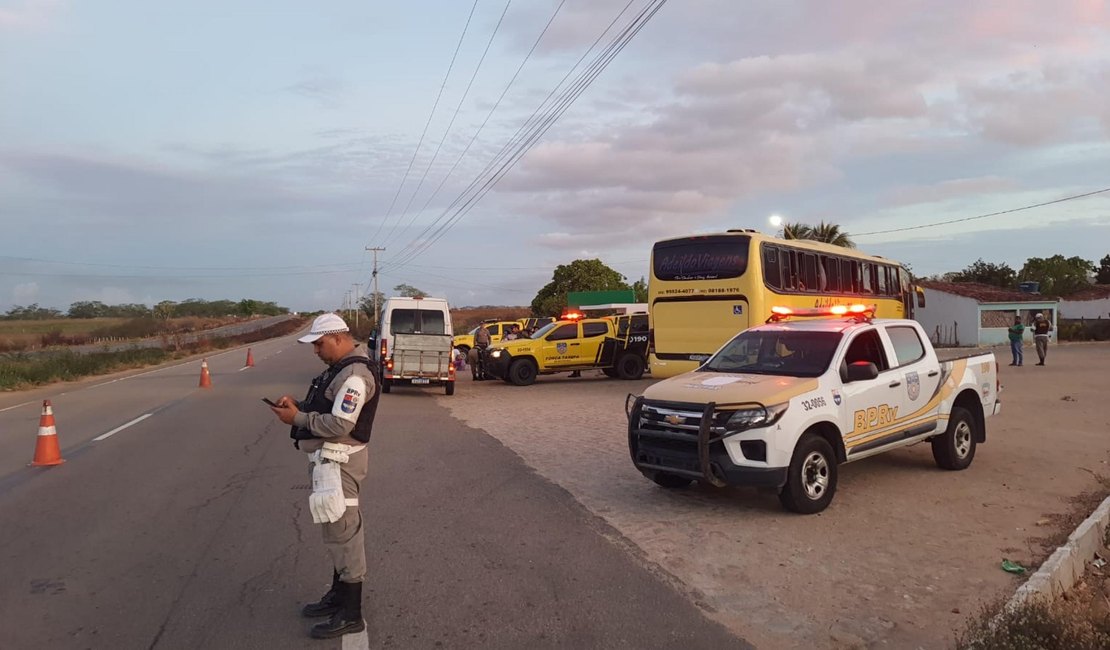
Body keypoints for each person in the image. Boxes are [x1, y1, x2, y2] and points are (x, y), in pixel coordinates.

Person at [270, 313, 379, 639]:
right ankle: (338, 596)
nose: (316, 350)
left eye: (319, 343)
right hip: (331, 462)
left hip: (341, 463)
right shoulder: (341, 370)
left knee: (344, 532)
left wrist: (297, 418)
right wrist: (299, 405)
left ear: (337, 337)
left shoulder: (356, 375)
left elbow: (341, 424)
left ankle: (351, 613)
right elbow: (328, 407)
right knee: (335, 530)